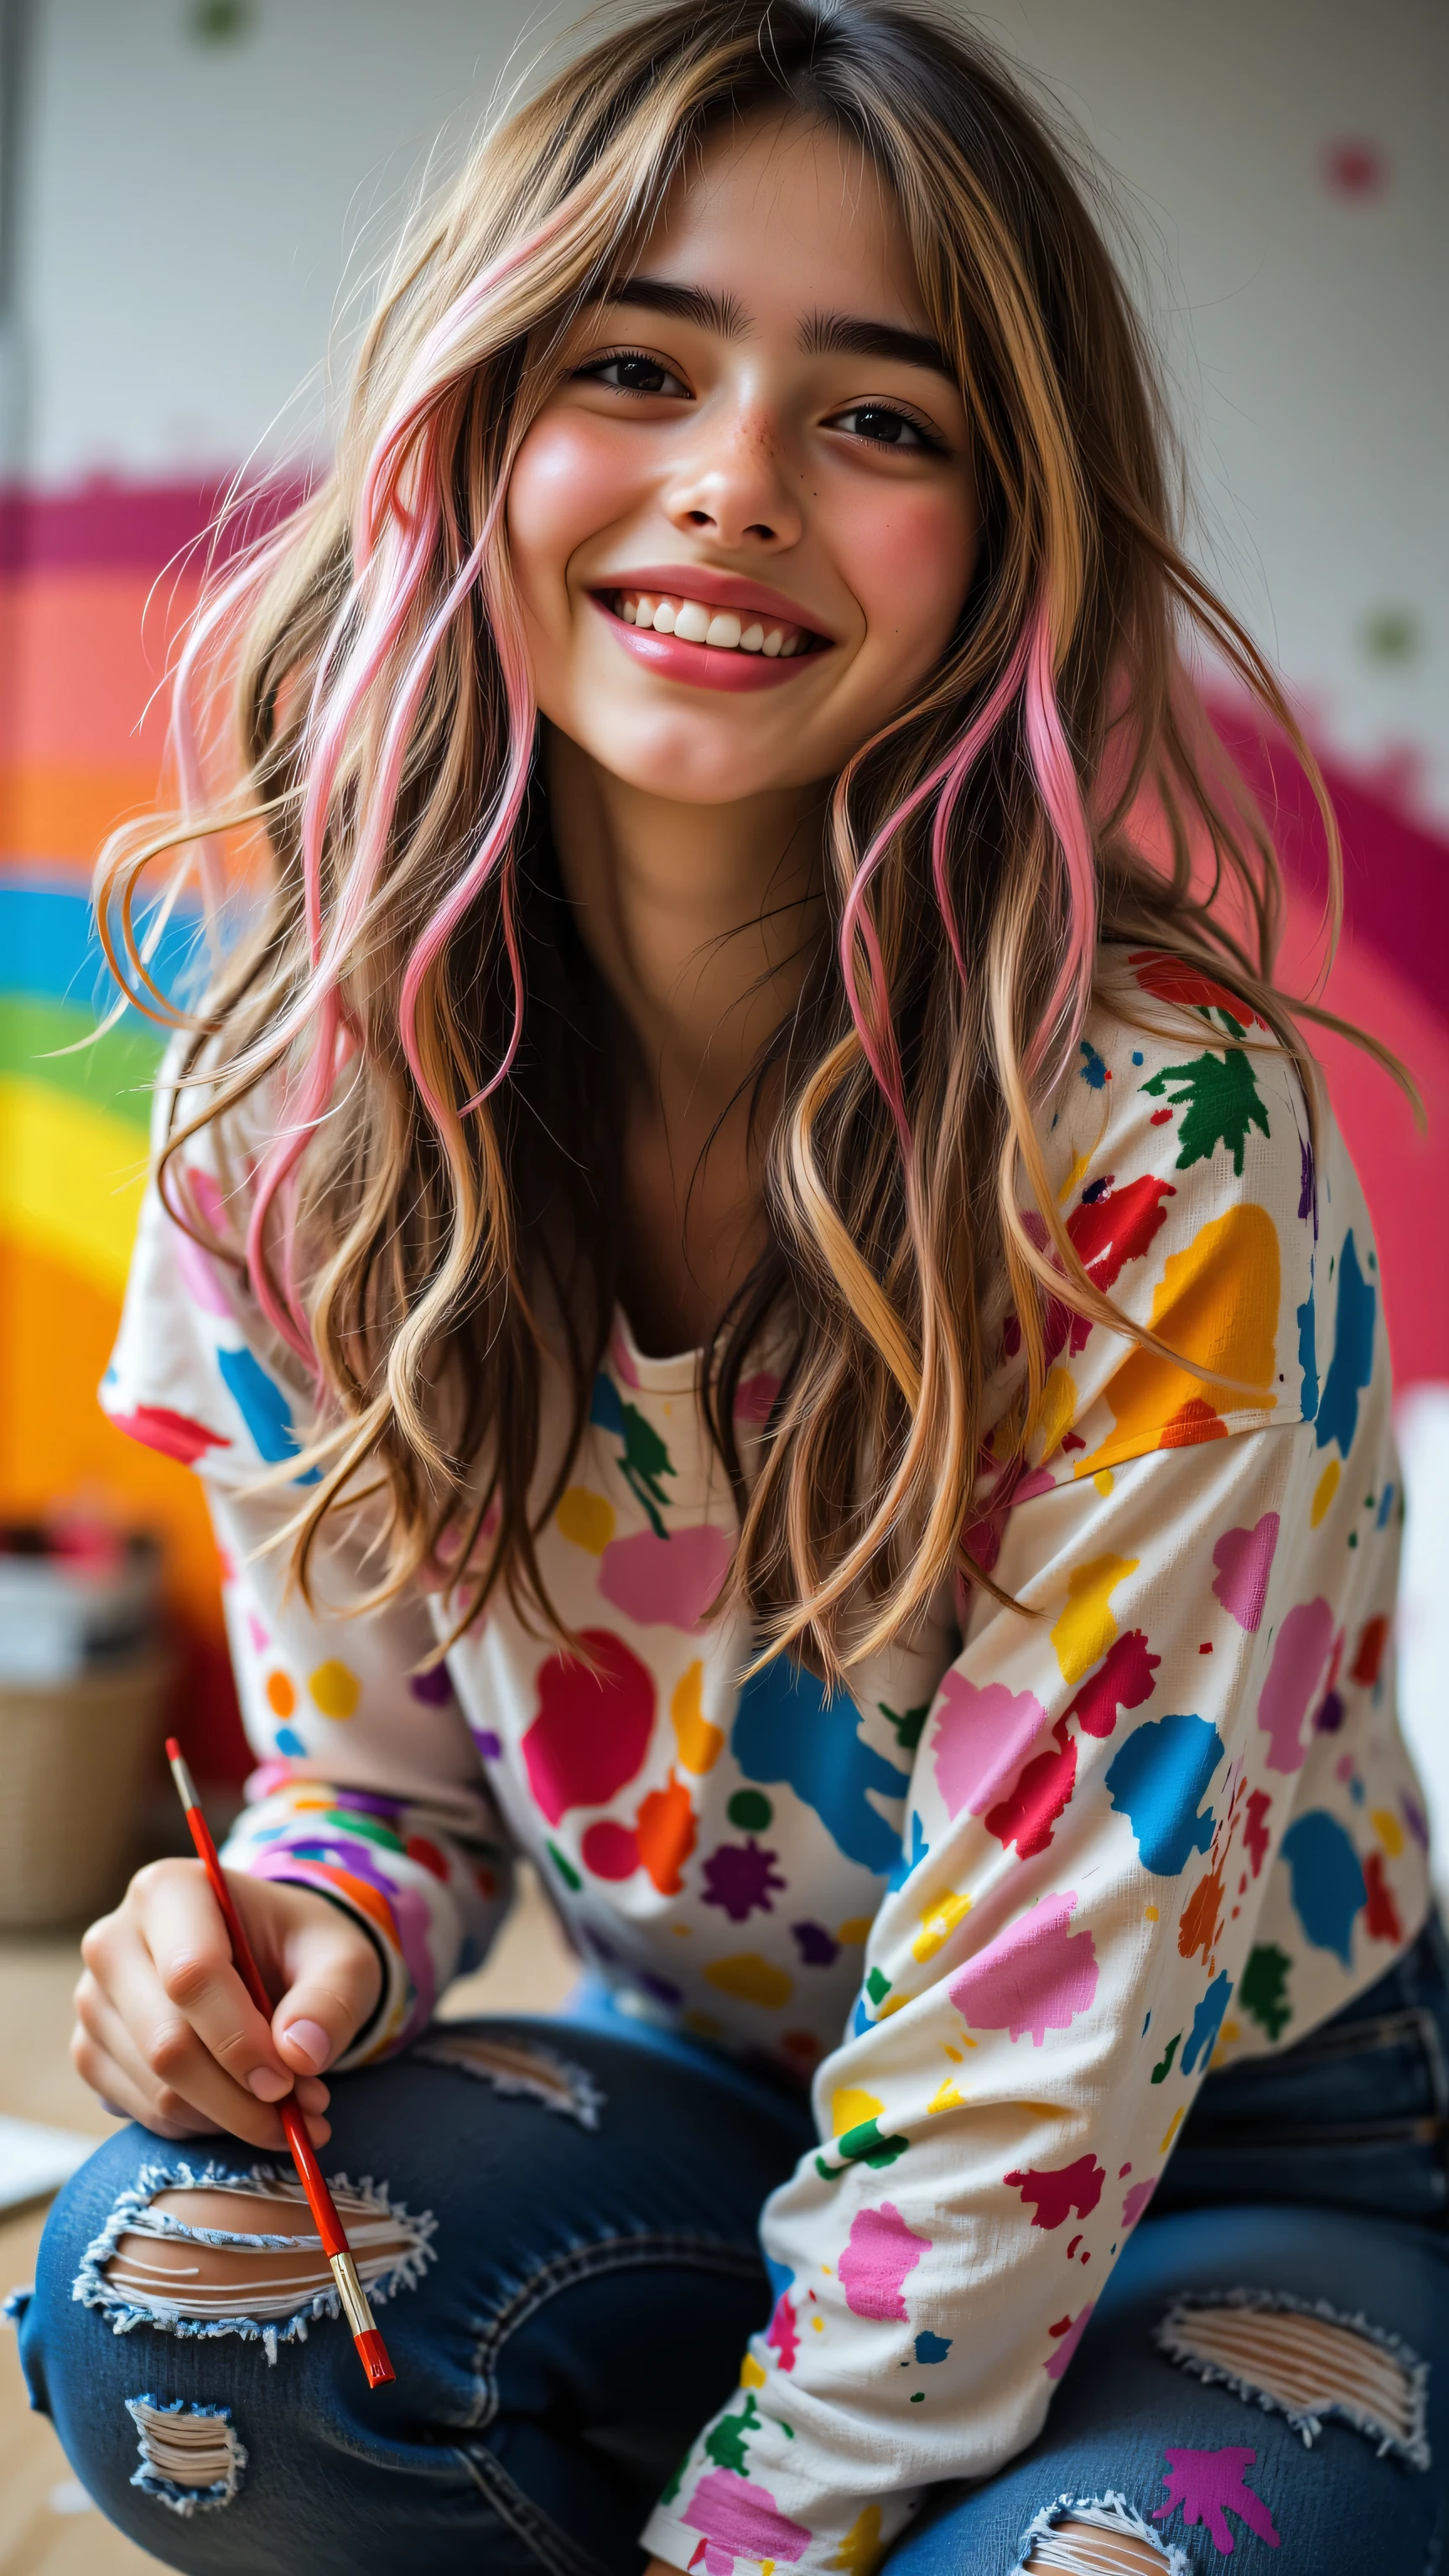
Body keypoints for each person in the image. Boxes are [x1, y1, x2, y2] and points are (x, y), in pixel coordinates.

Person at [12, 5, 1446, 2569]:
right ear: (471, 432)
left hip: (1248, 2152)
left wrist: (754, 2535)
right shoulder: (287, 1096)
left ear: (1014, 538)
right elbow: (383, 1781)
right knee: (165, 2289)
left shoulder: (1173, 1144)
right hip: (696, 2087)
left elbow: (1043, 2049)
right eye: (635, 366)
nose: (733, 484)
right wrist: (287, 1931)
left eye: (881, 418)